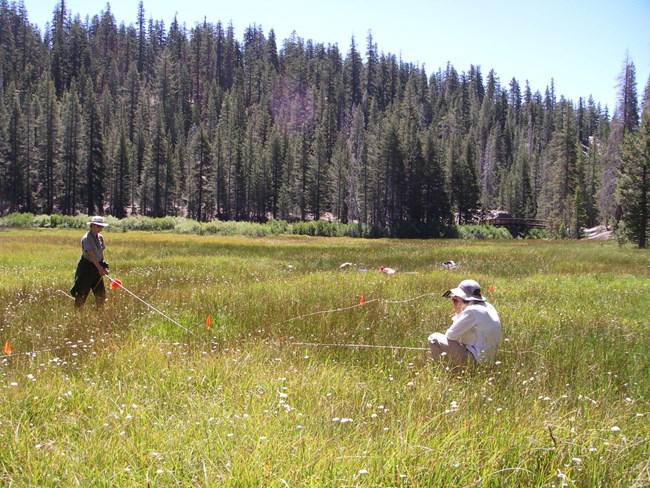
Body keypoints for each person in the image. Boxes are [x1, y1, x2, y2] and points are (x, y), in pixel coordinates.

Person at [428, 279, 501, 368]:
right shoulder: (488, 306)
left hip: (477, 360)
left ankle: (443, 369)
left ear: (463, 296)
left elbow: (450, 336)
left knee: (433, 338)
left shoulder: (472, 311)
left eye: (456, 297)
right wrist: (459, 311)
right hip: (488, 359)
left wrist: (458, 311)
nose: (454, 298)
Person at [70, 216, 110, 308]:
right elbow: (91, 256)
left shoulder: (100, 237)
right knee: (82, 292)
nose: (101, 228)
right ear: (92, 225)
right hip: (87, 268)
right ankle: (77, 312)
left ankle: (100, 311)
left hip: (97, 267)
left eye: (102, 226)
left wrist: (103, 266)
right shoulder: (86, 239)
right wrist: (99, 269)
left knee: (101, 293)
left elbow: (101, 253)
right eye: (99, 226)